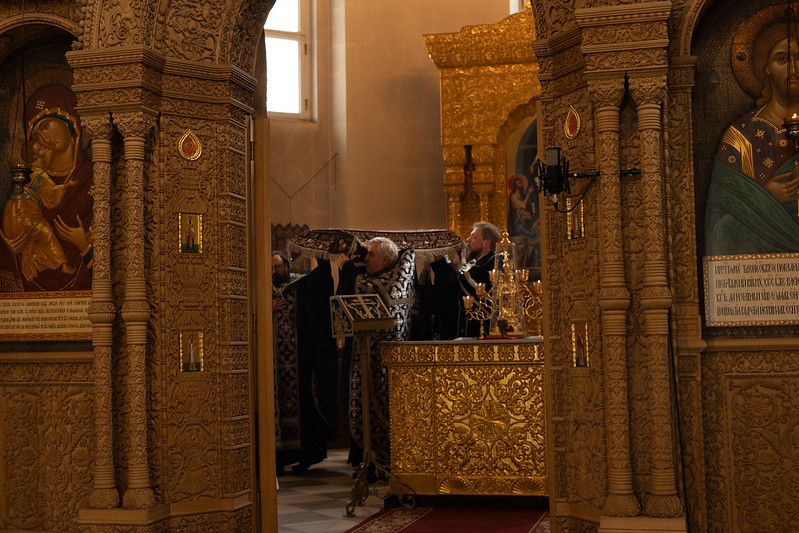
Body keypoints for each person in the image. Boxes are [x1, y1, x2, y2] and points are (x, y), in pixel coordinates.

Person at [705, 21, 799, 255]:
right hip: (759, 270)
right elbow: (720, 218)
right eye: (782, 59)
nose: (794, 68)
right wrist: (767, 197)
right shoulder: (741, 136)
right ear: (765, 66)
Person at [338, 237, 415, 473]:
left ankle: (387, 462)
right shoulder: (370, 278)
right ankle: (370, 459)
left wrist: (348, 268)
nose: (366, 259)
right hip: (364, 357)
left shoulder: (394, 281)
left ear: (385, 259)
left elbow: (372, 290)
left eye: (371, 255)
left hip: (387, 362)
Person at [272, 251, 339, 474]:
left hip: (299, 358)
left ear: (286, 267)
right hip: (270, 364)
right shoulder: (260, 291)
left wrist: (318, 253)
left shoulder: (300, 285)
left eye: (278, 267)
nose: (274, 272)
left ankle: (304, 456)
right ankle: (278, 459)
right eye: (271, 268)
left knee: (304, 405)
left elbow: (322, 277)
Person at [428, 221, 501, 338]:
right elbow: (454, 289)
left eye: (473, 237)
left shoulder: (492, 264)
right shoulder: (478, 264)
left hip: (482, 332)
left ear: (486, 243)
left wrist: (444, 262)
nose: (467, 240)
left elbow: (464, 286)